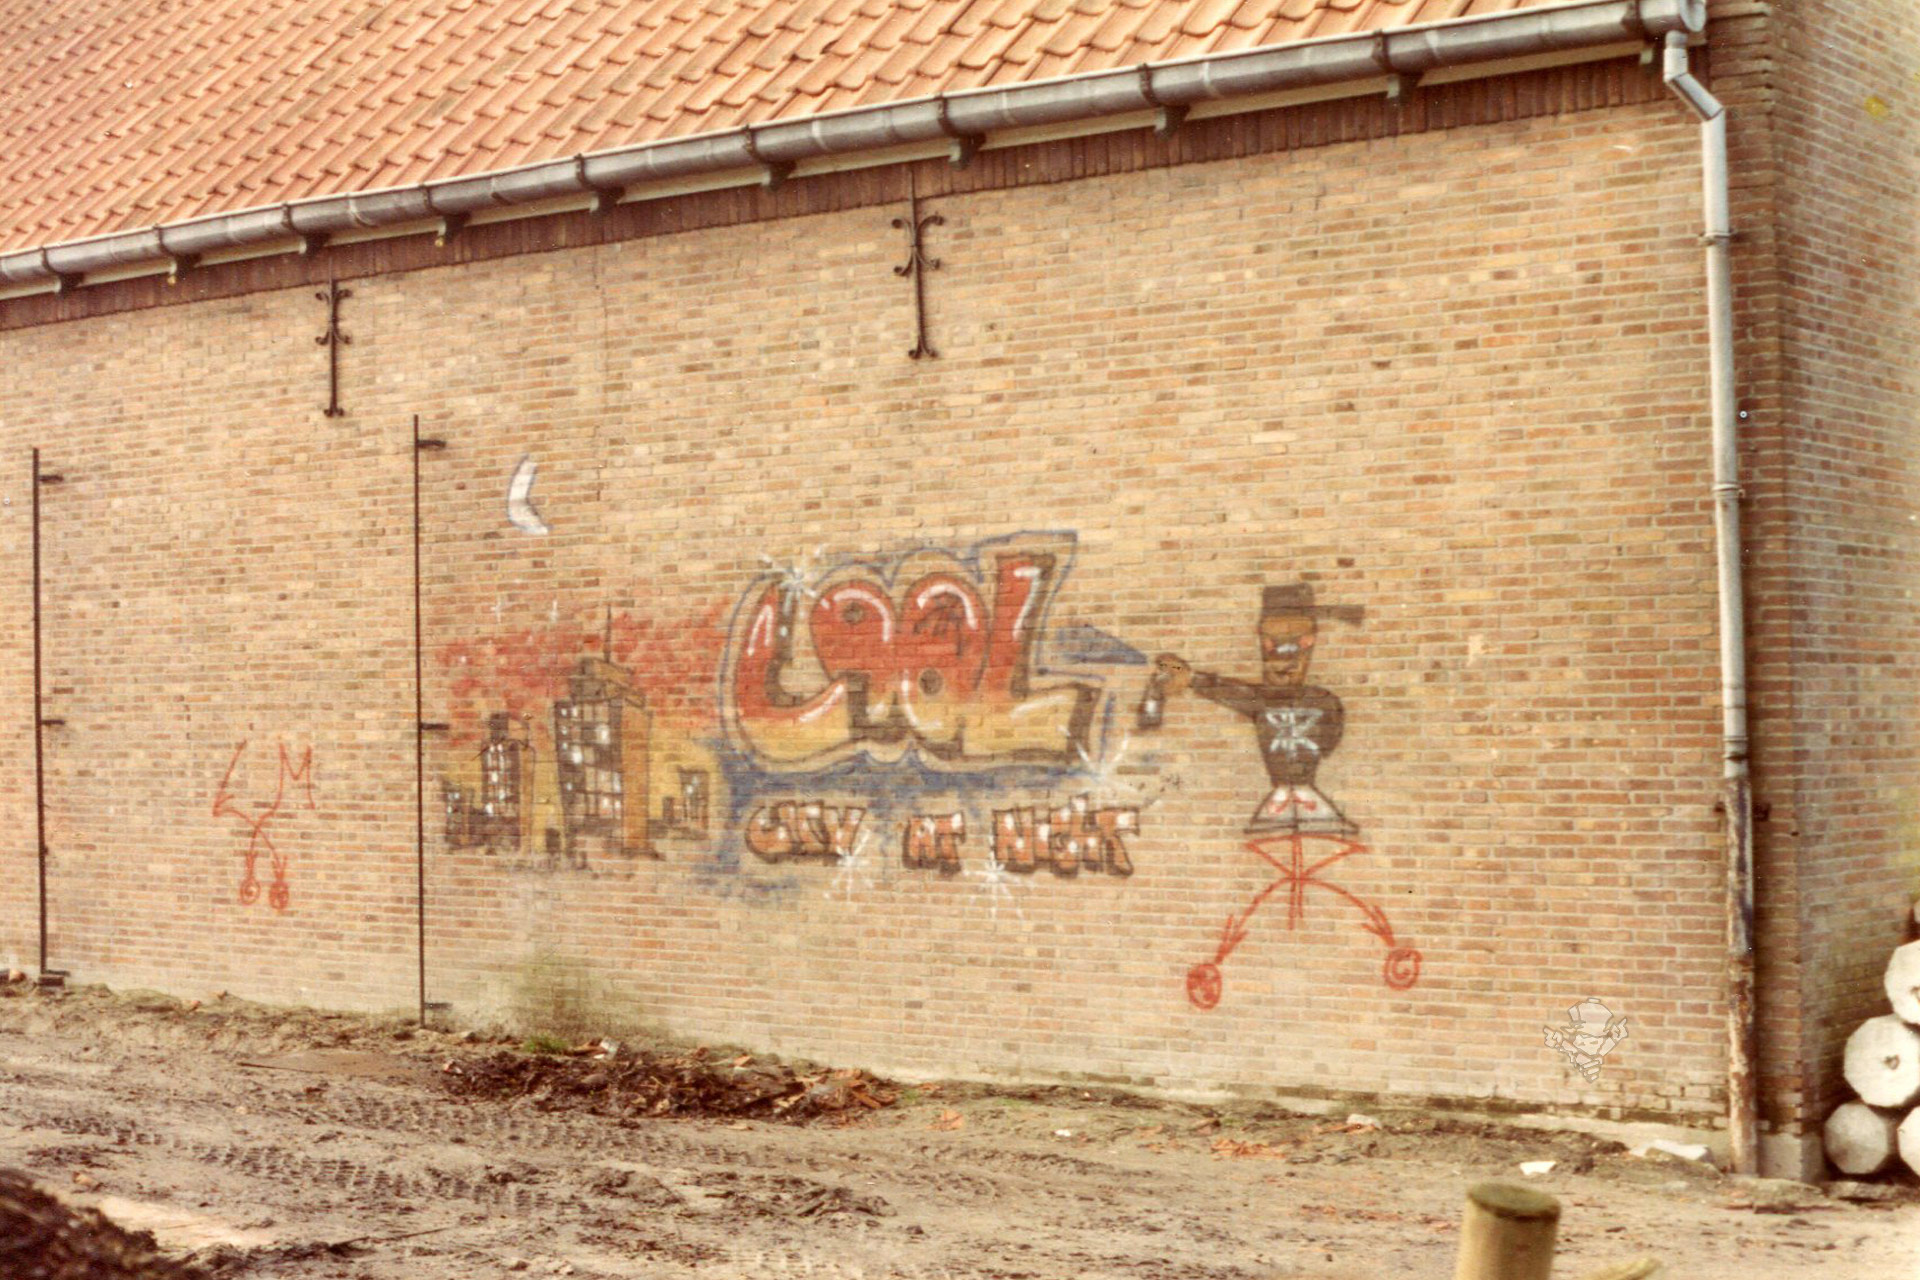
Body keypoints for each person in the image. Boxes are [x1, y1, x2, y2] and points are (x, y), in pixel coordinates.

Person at [1142, 583, 1360, 836]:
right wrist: (1188, 677)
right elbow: (1229, 691)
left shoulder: (1322, 702)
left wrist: (1190, 677)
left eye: (1297, 642)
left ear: (1309, 641)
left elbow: (1234, 692)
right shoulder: (1293, 701)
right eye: (1271, 643)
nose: (1282, 657)